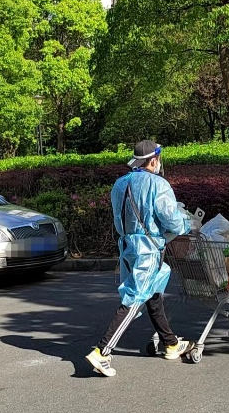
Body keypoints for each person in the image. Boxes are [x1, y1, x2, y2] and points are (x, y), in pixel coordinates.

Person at [85, 140, 200, 377]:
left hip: (128, 245)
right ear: (154, 160)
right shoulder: (159, 184)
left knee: (153, 295)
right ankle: (102, 352)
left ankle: (170, 344)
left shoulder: (120, 184)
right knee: (135, 298)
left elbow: (119, 219)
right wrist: (188, 222)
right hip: (149, 248)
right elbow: (173, 221)